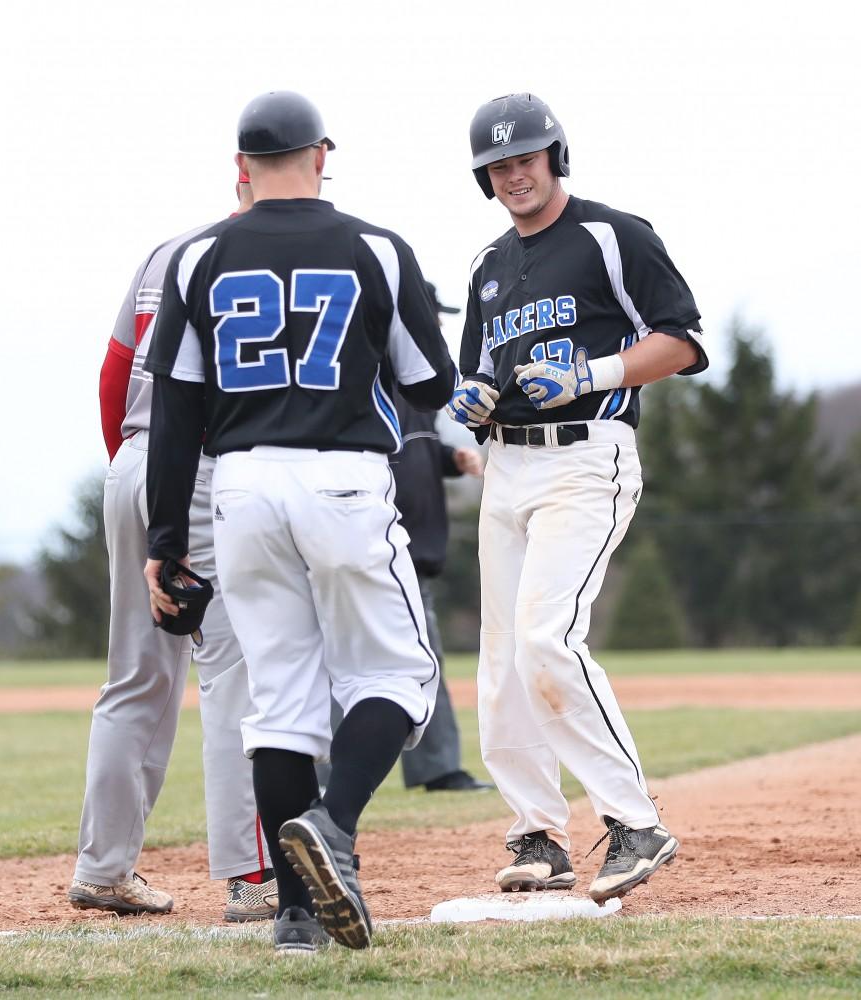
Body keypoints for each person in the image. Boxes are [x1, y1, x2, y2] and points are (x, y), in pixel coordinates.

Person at [142, 91, 456, 953]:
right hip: (343, 479)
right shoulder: (377, 249)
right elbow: (431, 383)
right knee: (401, 675)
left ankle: (293, 916)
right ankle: (333, 822)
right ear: (323, 153)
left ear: (240, 166)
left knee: (278, 703)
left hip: (239, 485)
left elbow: (173, 410)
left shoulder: (200, 253)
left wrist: (165, 542)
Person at [448, 92, 708, 902]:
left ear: (554, 155)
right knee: (500, 662)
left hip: (585, 457)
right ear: (483, 178)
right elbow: (478, 373)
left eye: (525, 156)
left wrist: (591, 374)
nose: (513, 173)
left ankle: (634, 823)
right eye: (497, 164)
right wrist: (472, 402)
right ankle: (537, 835)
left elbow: (683, 340)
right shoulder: (486, 267)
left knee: (545, 637)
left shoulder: (610, 234)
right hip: (507, 468)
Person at [69, 168, 277, 923]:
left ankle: (103, 868)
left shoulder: (167, 252)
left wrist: (133, 475)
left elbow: (113, 375)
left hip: (133, 459)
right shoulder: (267, 256)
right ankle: (253, 878)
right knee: (234, 669)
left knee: (135, 678)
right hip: (201, 468)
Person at [394, 282, 493, 793]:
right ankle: (316, 776)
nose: (437, 326)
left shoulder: (419, 388)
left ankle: (437, 767)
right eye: (431, 316)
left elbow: (414, 454)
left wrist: (449, 460)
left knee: (424, 658)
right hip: (382, 545)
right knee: (339, 662)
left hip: (415, 549)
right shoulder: (375, 376)